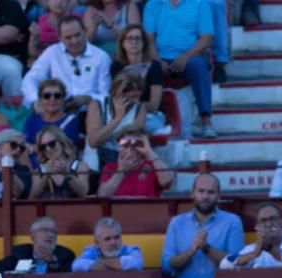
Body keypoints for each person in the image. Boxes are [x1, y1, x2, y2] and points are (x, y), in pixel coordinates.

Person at [160, 173, 245, 278]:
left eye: (211, 192)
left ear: (218, 196)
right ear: (192, 193)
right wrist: (191, 251)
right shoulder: (177, 223)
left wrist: (207, 249)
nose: (205, 196)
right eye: (201, 191)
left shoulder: (232, 221)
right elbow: (167, 266)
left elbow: (238, 263)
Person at [143, 0, 216, 137]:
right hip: (160, 57)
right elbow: (148, 40)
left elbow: (206, 38)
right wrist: (157, 60)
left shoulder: (200, 4)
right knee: (148, 67)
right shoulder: (153, 4)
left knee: (198, 65)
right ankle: (149, 120)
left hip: (190, 57)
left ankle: (206, 122)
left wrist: (186, 56)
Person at [21, 16, 111, 110]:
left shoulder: (101, 57)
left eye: (77, 35)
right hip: (58, 110)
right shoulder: (52, 52)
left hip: (90, 111)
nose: (74, 41)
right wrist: (36, 99)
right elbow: (30, 79)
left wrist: (88, 99)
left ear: (85, 31)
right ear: (60, 38)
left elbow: (106, 95)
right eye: (68, 37)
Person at [219, 201, 282, 270]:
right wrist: (253, 254)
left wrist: (271, 249)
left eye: (273, 219)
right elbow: (224, 264)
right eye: (263, 221)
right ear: (257, 227)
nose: (268, 224)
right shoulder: (252, 249)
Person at [86, 70, 151, 167]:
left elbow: (136, 141)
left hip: (126, 161)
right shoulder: (97, 105)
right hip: (96, 162)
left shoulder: (140, 108)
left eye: (138, 96)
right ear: (118, 94)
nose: (136, 101)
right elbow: (93, 142)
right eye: (132, 97)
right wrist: (117, 118)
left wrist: (122, 141)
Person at [96, 125, 172, 197]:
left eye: (136, 144)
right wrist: (121, 171)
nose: (130, 149)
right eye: (125, 144)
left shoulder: (153, 166)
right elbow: (102, 195)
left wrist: (149, 152)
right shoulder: (110, 168)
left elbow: (167, 182)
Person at [111, 23, 164, 120]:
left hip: (150, 115)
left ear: (144, 43)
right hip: (123, 114)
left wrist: (135, 105)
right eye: (130, 38)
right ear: (122, 43)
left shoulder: (154, 66)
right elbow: (116, 99)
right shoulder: (116, 67)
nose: (134, 42)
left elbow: (154, 105)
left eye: (138, 38)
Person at [0, 216, 75, 273]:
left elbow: (71, 277)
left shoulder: (65, 255)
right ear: (32, 236)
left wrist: (54, 263)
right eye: (45, 230)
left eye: (54, 232)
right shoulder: (20, 253)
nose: (50, 235)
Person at [30, 124, 90, 199]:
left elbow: (83, 193)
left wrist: (67, 173)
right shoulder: (39, 171)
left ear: (61, 142)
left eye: (52, 144)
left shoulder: (79, 166)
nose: (48, 149)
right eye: (43, 147)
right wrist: (46, 175)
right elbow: (33, 197)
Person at [23, 78, 82, 148]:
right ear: (40, 99)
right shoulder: (31, 121)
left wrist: (34, 148)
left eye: (57, 96)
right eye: (47, 96)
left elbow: (67, 148)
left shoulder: (72, 121)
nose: (52, 99)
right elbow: (25, 145)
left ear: (63, 99)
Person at [71, 216, 144, 271]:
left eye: (116, 237)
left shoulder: (131, 250)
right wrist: (117, 265)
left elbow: (137, 263)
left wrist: (100, 262)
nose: (113, 243)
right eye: (107, 239)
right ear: (97, 243)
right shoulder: (91, 251)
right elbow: (76, 265)